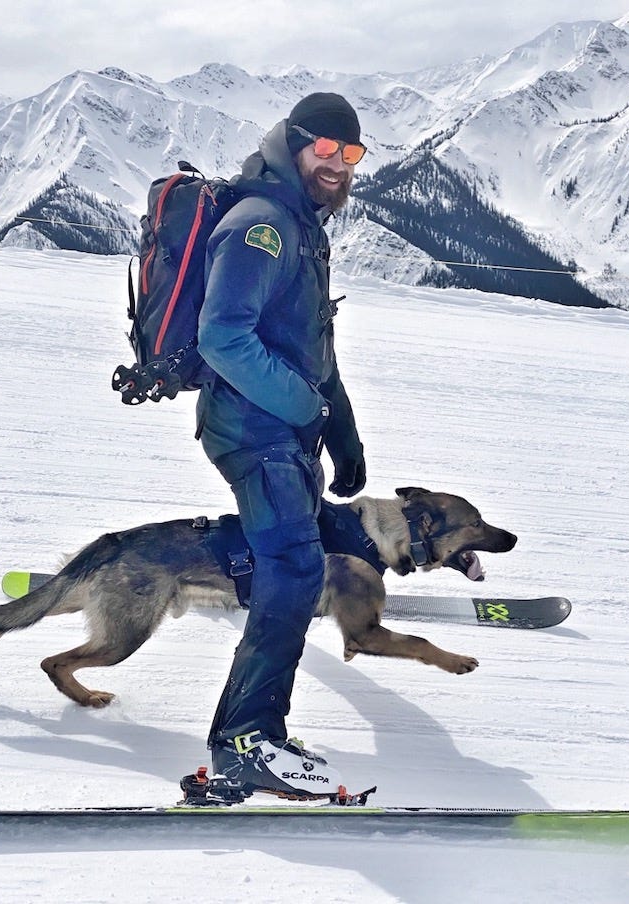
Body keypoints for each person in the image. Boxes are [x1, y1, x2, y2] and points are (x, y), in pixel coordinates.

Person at [195, 92, 368, 797]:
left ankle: (247, 728)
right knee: (294, 570)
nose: (338, 164)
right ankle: (246, 740)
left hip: (284, 430)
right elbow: (222, 337)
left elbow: (313, 350)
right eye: (325, 148)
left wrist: (342, 431)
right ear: (294, 143)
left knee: (293, 560)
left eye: (351, 153)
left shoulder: (302, 226)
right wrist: (305, 407)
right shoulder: (261, 225)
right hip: (252, 428)